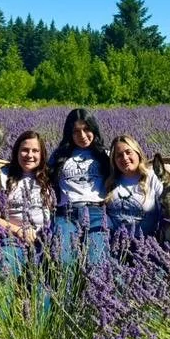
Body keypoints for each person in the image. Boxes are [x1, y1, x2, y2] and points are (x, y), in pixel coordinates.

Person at [49, 108, 111, 265]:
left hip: (97, 213)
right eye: (76, 131)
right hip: (66, 215)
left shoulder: (106, 155)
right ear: (69, 133)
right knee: (63, 259)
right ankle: (68, 290)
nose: (82, 136)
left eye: (86, 129)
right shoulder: (59, 156)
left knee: (97, 260)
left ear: (94, 129)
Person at [0, 130, 56, 275]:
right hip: (12, 238)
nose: (30, 155)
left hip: (45, 238)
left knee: (47, 281)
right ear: (16, 152)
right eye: (25, 150)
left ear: (41, 155)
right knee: (5, 270)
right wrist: (18, 231)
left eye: (35, 151)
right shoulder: (2, 176)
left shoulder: (49, 177)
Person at [105, 134, 163, 238]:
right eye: (119, 155)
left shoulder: (152, 177)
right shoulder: (109, 181)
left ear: (138, 153)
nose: (125, 158)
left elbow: (168, 206)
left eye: (128, 152)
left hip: (148, 245)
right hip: (115, 244)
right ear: (114, 160)